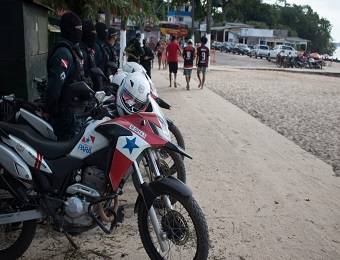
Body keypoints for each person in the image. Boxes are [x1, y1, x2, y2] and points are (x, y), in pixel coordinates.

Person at [44, 12, 91, 140]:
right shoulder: (63, 53)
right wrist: (47, 109)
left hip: (76, 116)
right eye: (78, 29)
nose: (80, 32)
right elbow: (55, 86)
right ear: (68, 29)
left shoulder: (74, 50)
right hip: (66, 119)